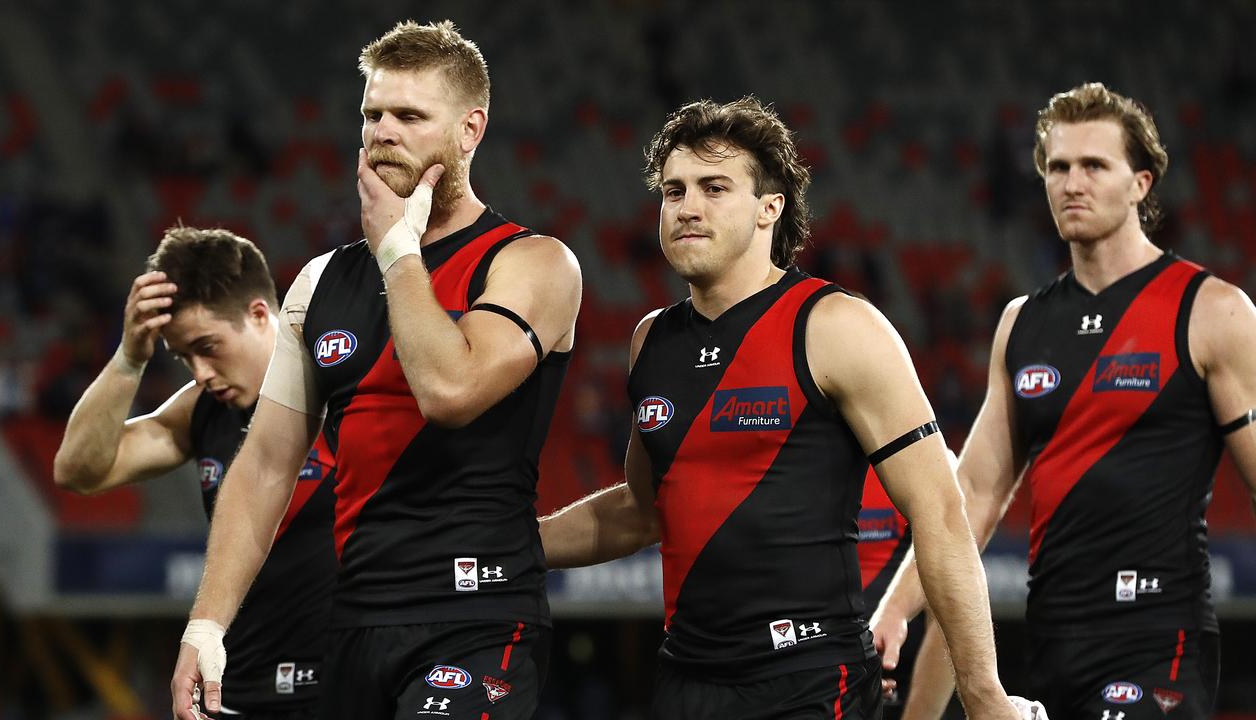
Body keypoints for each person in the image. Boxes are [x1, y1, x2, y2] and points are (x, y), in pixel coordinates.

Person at [539, 97, 1040, 719]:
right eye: (673, 192)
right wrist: (515, 544)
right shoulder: (651, 341)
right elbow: (641, 511)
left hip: (808, 684)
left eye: (714, 187)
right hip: (685, 686)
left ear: (768, 209)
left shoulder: (836, 326)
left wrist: (984, 694)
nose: (686, 207)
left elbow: (939, 511)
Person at [169, 19, 582, 720]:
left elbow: (450, 390)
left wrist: (398, 251)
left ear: (469, 130)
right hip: (353, 624)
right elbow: (266, 464)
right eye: (372, 114)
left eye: (410, 116)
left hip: (477, 620)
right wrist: (206, 626)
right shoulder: (320, 282)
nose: (382, 131)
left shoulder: (532, 263)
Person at [871, 82, 1256, 719]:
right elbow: (972, 498)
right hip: (1052, 641)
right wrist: (894, 609)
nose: (1071, 182)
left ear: (1141, 182)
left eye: (1094, 166)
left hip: (1160, 638)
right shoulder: (1022, 325)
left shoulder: (1211, 312)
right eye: (1058, 167)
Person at [54, 227, 336, 719]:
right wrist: (129, 358)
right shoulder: (200, 410)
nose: (200, 372)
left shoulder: (343, 389)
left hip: (345, 687)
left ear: (259, 315)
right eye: (184, 357)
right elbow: (79, 469)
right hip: (237, 692)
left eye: (208, 346)